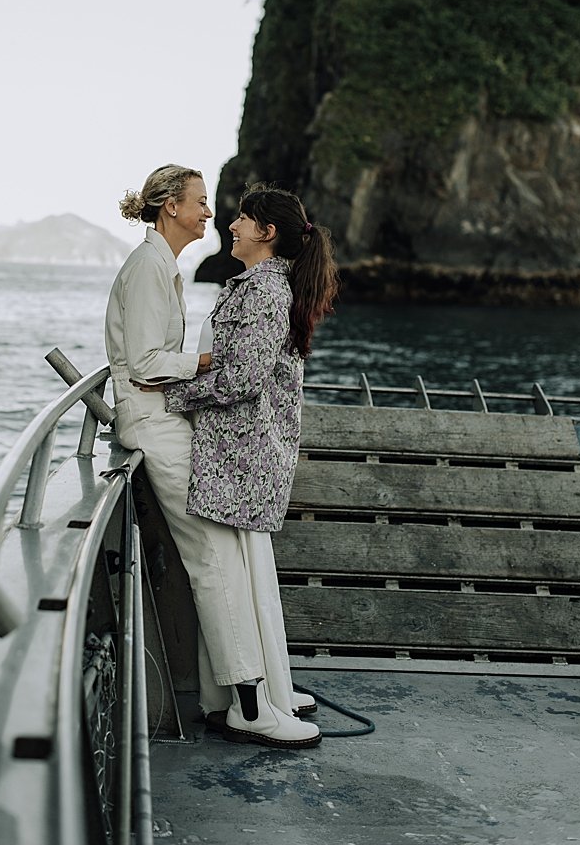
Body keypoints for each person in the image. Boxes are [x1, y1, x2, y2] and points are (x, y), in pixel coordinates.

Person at [104, 165, 319, 749]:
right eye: (200, 202)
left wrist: (196, 372)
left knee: (220, 557)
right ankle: (249, 702)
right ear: (170, 206)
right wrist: (200, 365)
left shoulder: (163, 268)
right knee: (215, 559)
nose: (211, 213)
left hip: (167, 420)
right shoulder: (150, 268)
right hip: (156, 426)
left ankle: (230, 698)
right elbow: (148, 364)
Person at [160, 182, 338, 747]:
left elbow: (246, 377)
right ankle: (248, 696)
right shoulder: (262, 285)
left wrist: (172, 395)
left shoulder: (262, 291)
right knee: (242, 574)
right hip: (242, 453)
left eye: (242, 218)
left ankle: (254, 703)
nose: (229, 225)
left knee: (233, 576)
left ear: (268, 233)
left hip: (243, 456)